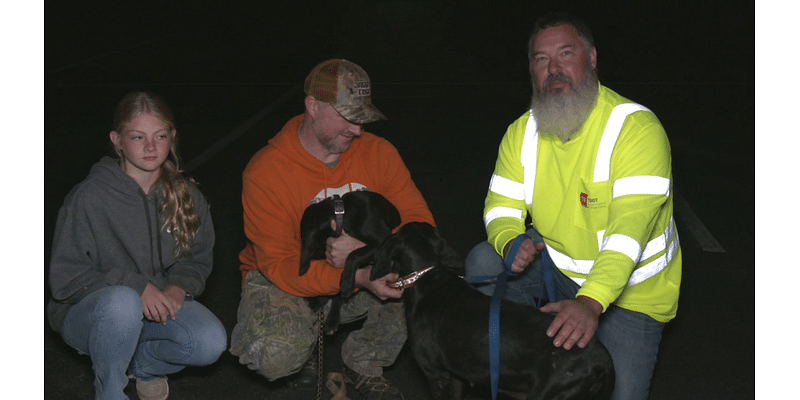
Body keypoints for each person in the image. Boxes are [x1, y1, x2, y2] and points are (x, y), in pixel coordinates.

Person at [464, 13, 682, 400]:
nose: (554, 69)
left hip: (632, 290)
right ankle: (523, 366)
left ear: (593, 58)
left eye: (566, 53)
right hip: (561, 267)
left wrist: (589, 302)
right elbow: (500, 204)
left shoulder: (636, 129)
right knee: (485, 260)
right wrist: (509, 239)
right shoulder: (521, 131)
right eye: (541, 59)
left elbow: (629, 232)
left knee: (622, 394)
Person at [229, 59, 435, 400]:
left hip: (362, 268)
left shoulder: (379, 153)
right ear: (312, 106)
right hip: (287, 279)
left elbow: (420, 225)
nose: (357, 130)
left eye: (362, 118)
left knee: (420, 274)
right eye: (348, 117)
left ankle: (363, 362)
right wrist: (354, 276)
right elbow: (280, 265)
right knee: (274, 354)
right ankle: (306, 344)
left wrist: (365, 259)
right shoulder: (265, 171)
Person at [47, 91, 227, 400]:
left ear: (172, 137)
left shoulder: (186, 195)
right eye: (137, 137)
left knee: (209, 341)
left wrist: (178, 286)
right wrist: (136, 286)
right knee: (122, 302)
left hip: (152, 308)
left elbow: (196, 259)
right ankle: (110, 390)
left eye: (160, 135)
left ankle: (142, 366)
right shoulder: (90, 197)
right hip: (92, 314)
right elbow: (65, 281)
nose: (150, 147)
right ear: (117, 140)